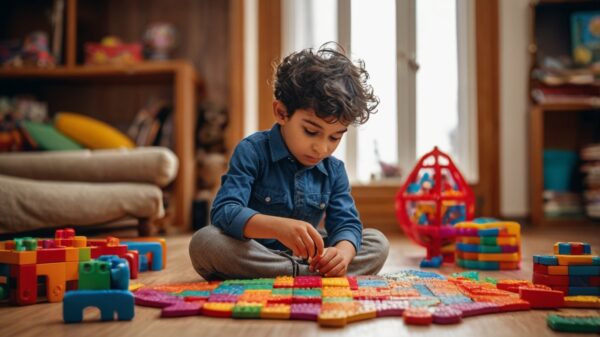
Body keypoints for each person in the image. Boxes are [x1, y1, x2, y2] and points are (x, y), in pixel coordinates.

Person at [189, 43, 389, 280]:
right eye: (310, 131)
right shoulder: (252, 151)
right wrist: (278, 227)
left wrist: (341, 254)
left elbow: (346, 223)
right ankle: (299, 273)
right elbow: (224, 212)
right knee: (205, 241)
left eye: (335, 137)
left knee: (377, 241)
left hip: (311, 257)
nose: (322, 148)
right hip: (254, 250)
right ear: (281, 113)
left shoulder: (334, 170)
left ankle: (299, 272)